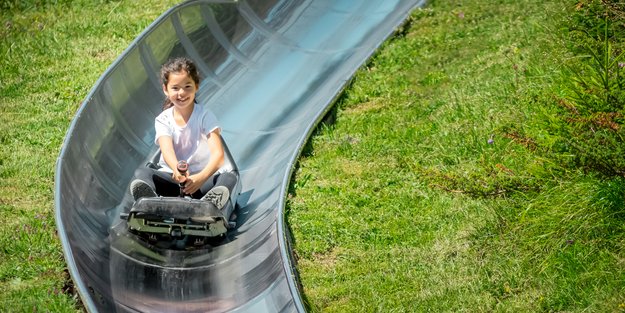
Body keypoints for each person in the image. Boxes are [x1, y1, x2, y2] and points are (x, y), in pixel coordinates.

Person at [130, 57, 236, 210]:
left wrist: (200, 178)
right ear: (166, 89)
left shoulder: (205, 116)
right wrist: (176, 170)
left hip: (202, 180)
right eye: (175, 88)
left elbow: (219, 156)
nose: (182, 93)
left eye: (187, 86)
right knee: (142, 172)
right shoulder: (163, 119)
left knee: (228, 177)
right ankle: (150, 202)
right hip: (174, 181)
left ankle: (211, 204)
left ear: (196, 86)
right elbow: (167, 151)